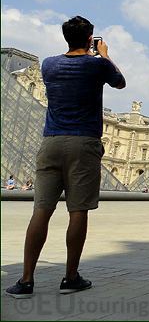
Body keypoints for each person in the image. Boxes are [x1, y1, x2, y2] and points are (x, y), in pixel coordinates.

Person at [5, 16, 126, 299]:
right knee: (78, 210)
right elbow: (119, 82)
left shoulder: (48, 64)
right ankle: (71, 276)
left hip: (51, 142)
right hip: (83, 143)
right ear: (89, 39)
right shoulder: (97, 65)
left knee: (41, 211)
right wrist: (104, 54)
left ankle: (25, 280)